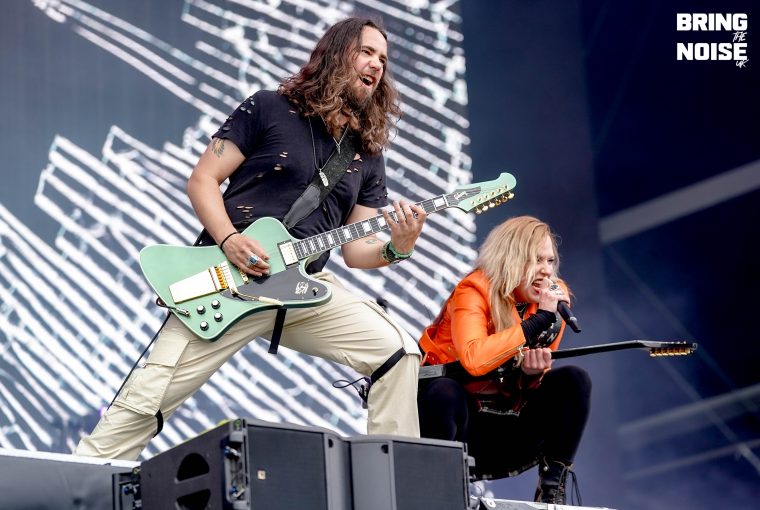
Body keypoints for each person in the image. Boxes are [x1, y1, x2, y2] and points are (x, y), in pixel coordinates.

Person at [75, 17, 427, 460]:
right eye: (367, 52)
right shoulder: (268, 107)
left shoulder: (367, 154)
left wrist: (399, 246)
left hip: (304, 288)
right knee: (149, 398)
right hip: (233, 277)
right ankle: (83, 477)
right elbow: (202, 179)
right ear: (337, 54)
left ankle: (394, 480)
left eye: (383, 60)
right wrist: (228, 239)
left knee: (398, 352)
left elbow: (356, 252)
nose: (377, 65)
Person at [417, 216, 591, 505]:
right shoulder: (473, 290)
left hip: (504, 432)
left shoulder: (553, 301)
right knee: (444, 392)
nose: (547, 271)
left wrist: (531, 374)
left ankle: (552, 490)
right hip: (454, 427)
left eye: (550, 261)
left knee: (574, 380)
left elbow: (523, 381)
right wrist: (538, 321)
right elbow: (474, 359)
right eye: (536, 260)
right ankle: (441, 491)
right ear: (510, 259)